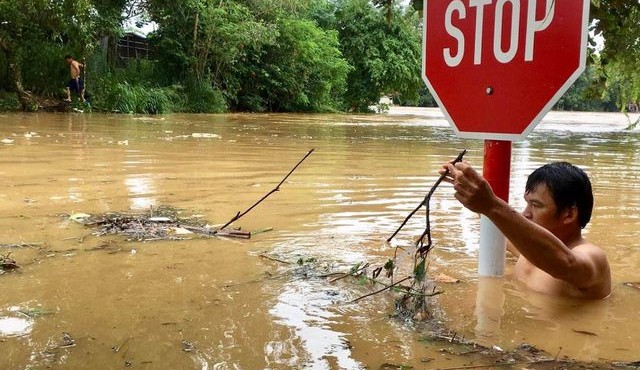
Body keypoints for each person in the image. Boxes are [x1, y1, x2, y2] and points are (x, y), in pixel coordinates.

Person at [440, 161, 611, 299]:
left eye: (536, 205)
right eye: (527, 203)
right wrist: (472, 194)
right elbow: (506, 228)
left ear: (569, 214)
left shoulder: (593, 257)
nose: (525, 213)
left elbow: (564, 263)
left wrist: (491, 205)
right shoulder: (529, 249)